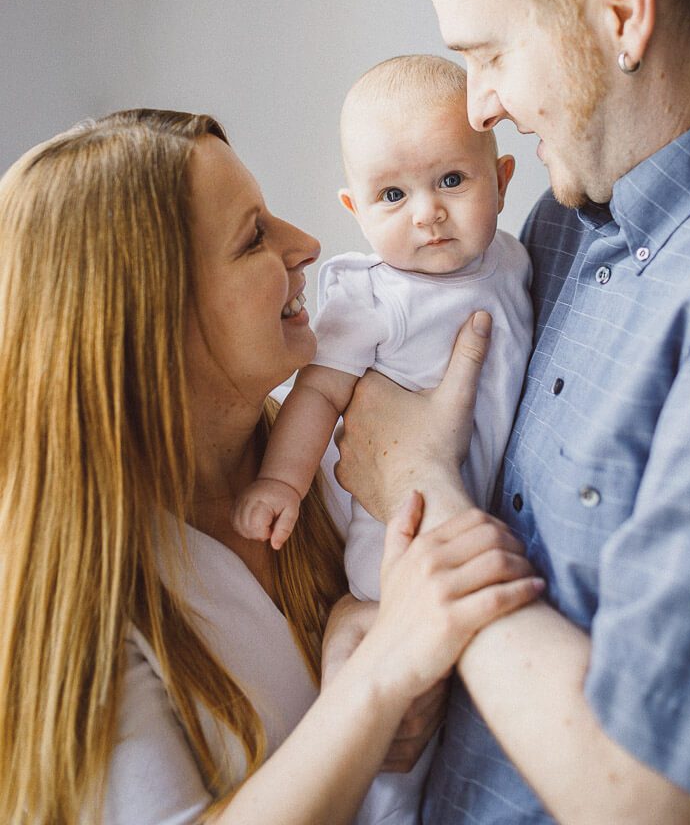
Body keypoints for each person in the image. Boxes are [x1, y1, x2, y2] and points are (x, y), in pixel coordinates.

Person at [332, 0, 690, 823]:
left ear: (619, 6)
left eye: (487, 53)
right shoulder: (554, 225)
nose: (478, 106)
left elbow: (658, 797)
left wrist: (418, 485)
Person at [0, 108, 545, 825]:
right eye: (255, 236)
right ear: (149, 316)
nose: (308, 244)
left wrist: (358, 612)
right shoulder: (65, 589)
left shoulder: (332, 456)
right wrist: (377, 681)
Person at [232, 55, 534, 824]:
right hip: (390, 540)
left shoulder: (517, 259)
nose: (426, 213)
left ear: (501, 179)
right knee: (409, 728)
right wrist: (281, 483)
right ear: (355, 208)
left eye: (451, 182)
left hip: (478, 501)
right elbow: (319, 394)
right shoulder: (372, 298)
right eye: (393, 195)